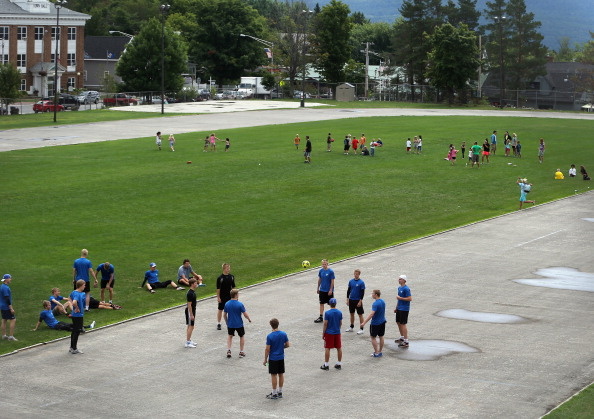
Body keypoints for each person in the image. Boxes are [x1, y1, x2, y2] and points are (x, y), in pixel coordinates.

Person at [263, 318, 290, 400]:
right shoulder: (283, 334)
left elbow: (267, 349)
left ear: (271, 325)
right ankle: (280, 391)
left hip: (273, 358)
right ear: (278, 324)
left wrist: (265, 359)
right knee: (281, 374)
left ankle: (274, 393)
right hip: (281, 357)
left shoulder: (270, 336)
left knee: (274, 375)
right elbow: (288, 345)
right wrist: (281, 348)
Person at [223, 288, 252, 358]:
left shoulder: (227, 304)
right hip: (239, 324)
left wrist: (227, 322)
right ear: (236, 295)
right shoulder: (240, 304)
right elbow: (245, 314)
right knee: (241, 336)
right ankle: (241, 352)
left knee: (230, 336)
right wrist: (249, 319)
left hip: (230, 324)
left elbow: (224, 315)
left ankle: (229, 350)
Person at [360, 289, 386, 357]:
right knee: (381, 336)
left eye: (373, 293)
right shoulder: (383, 301)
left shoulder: (375, 303)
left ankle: (376, 352)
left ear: (376, 295)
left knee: (373, 337)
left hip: (375, 323)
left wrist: (364, 322)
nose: (372, 295)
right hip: (382, 321)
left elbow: (372, 314)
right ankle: (380, 351)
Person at [321, 298, 343, 371]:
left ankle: (326, 364)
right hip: (337, 332)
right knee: (339, 348)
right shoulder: (339, 312)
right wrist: (338, 329)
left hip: (329, 333)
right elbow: (340, 323)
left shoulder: (327, 313)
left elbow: (325, 324)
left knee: (327, 348)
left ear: (329, 304)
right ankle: (339, 363)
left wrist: (323, 333)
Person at [69, 279, 89, 354]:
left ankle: (71, 347)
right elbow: (74, 302)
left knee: (74, 331)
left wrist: (73, 308)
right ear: (80, 285)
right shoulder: (78, 294)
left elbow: (69, 298)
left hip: (74, 315)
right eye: (84, 285)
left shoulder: (74, 292)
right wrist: (76, 308)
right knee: (77, 331)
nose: (85, 286)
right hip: (78, 315)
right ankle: (74, 348)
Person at [345, 269, 365, 334]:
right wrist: (347, 299)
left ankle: (361, 328)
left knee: (360, 314)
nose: (355, 275)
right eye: (355, 274)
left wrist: (360, 301)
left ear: (359, 274)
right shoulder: (351, 281)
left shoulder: (361, 282)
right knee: (351, 313)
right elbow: (348, 291)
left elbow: (362, 293)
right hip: (351, 300)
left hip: (358, 300)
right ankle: (351, 326)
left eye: (357, 274)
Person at [314, 259, 335, 323]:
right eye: (323, 264)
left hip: (328, 290)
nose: (324, 265)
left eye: (325, 264)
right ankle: (321, 316)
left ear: (327, 264)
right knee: (321, 303)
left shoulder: (331, 271)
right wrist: (318, 288)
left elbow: (332, 281)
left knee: (331, 304)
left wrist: (331, 290)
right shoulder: (321, 271)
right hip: (322, 290)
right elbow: (320, 279)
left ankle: (332, 316)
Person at [216, 263, 236, 330]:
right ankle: (219, 323)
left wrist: (235, 296)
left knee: (231, 309)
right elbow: (218, 289)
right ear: (224, 269)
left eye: (229, 268)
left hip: (230, 296)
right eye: (228, 268)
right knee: (220, 310)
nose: (229, 270)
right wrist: (218, 297)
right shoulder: (220, 278)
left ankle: (231, 323)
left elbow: (233, 287)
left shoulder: (232, 277)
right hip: (222, 296)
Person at [394, 274, 412, 347]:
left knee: (403, 324)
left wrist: (401, 298)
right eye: (399, 279)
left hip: (404, 309)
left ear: (404, 280)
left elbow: (410, 298)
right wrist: (396, 307)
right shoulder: (399, 288)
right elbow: (398, 299)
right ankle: (402, 337)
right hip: (399, 308)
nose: (399, 280)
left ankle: (406, 341)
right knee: (398, 322)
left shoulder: (406, 289)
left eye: (400, 279)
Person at [1, 274, 17, 341]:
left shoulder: (1, 286)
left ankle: (4, 335)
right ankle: (11, 336)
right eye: (10, 278)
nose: (11, 279)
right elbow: (7, 298)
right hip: (6, 307)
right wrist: (11, 308)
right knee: (13, 320)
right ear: (6, 279)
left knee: (4, 320)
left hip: (2, 306)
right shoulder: (5, 288)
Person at [185, 278, 198, 348]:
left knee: (189, 326)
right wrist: (191, 314)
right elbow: (189, 304)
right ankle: (187, 342)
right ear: (192, 284)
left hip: (192, 310)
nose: (197, 284)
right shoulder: (190, 293)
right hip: (190, 311)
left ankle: (189, 340)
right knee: (191, 326)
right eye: (196, 283)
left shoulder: (192, 292)